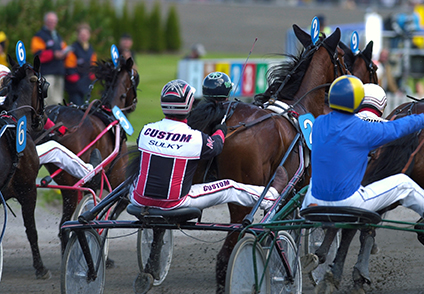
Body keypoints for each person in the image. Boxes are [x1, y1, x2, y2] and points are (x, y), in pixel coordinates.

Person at [301, 75, 424, 294]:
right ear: (357, 102)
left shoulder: (318, 123)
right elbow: (399, 128)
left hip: (312, 203)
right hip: (349, 203)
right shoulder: (362, 129)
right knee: (403, 183)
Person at [129, 79, 288, 212]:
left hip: (137, 198)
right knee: (229, 187)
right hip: (176, 202)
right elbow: (216, 147)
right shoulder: (194, 138)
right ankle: (270, 197)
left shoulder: (146, 131)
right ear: (189, 106)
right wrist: (220, 130)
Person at [0, 65, 100, 182]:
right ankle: (89, 172)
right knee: (54, 149)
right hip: (11, 160)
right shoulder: (10, 102)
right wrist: (58, 129)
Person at [31, 11, 70, 105]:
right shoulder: (39, 35)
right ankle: (46, 119)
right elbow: (38, 55)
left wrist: (64, 54)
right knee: (47, 99)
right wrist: (53, 54)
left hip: (59, 71)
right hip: (47, 72)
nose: (52, 23)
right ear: (45, 21)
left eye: (54, 21)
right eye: (50, 21)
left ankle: (55, 119)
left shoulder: (57, 36)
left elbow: (64, 49)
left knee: (58, 100)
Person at [64, 23, 97, 106]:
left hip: (86, 85)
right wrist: (77, 81)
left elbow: (93, 65)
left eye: (86, 34)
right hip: (74, 86)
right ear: (78, 35)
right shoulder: (73, 49)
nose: (83, 36)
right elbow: (69, 67)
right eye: (81, 34)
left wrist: (91, 77)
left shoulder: (90, 49)